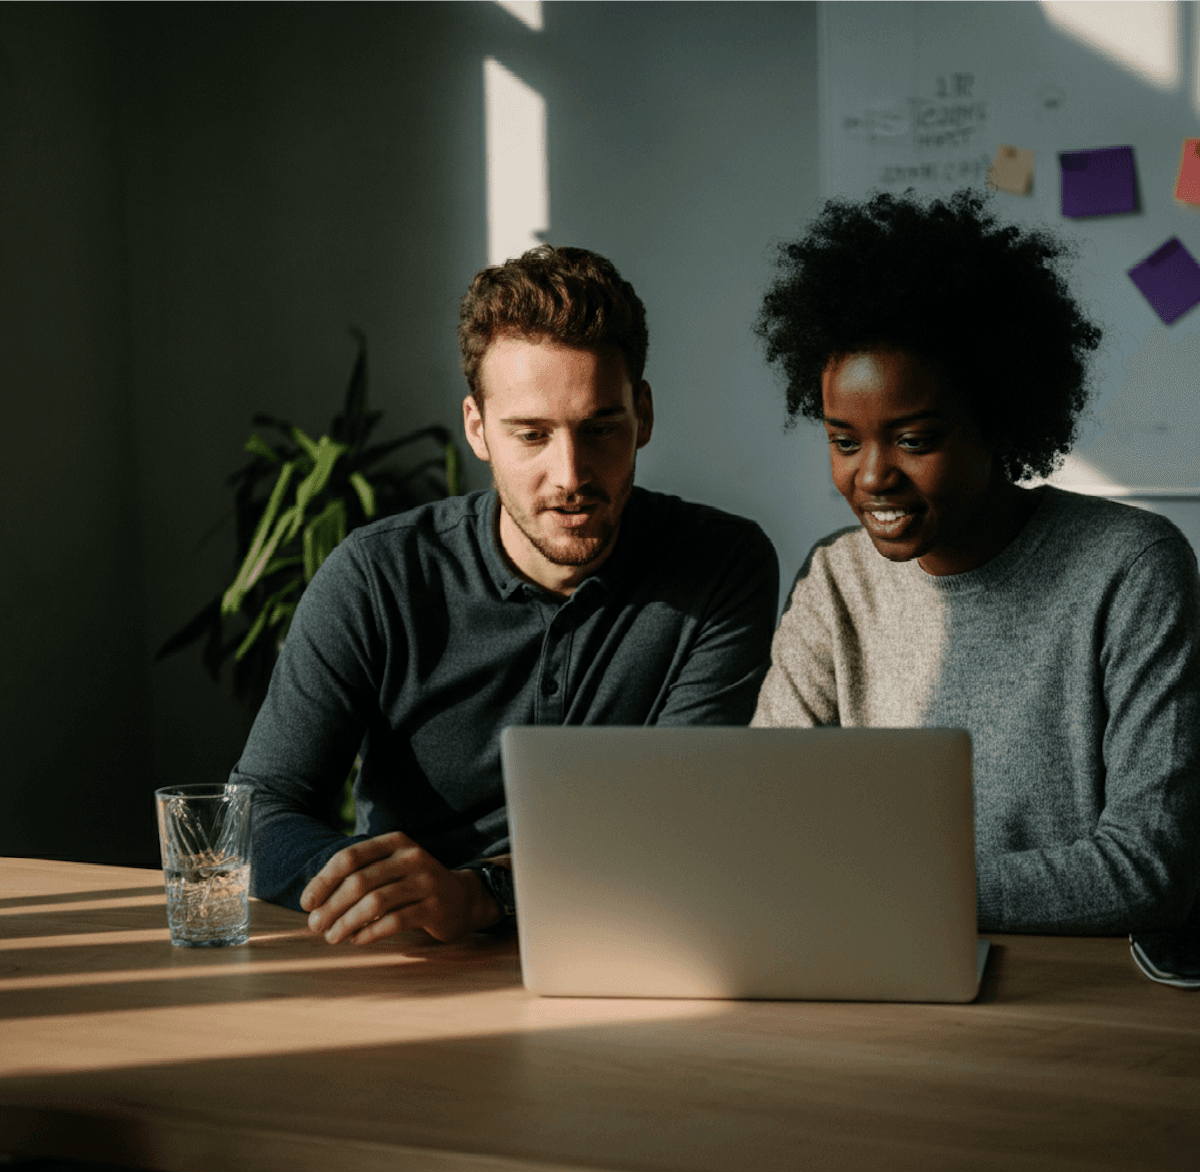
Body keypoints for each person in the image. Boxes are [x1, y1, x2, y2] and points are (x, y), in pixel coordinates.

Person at [231, 244, 779, 946]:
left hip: (626, 941)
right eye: (532, 435)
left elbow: (680, 822)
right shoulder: (376, 576)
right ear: (477, 428)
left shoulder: (721, 565)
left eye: (600, 429)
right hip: (418, 964)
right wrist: (371, 885)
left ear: (643, 413)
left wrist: (484, 894)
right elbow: (257, 811)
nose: (570, 475)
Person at [751, 190, 1200, 974]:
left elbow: (1147, 871)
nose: (872, 476)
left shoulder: (1130, 567)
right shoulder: (836, 581)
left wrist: (878, 887)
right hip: (873, 967)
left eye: (914, 438)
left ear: (1002, 420)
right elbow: (764, 820)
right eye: (843, 440)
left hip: (1074, 996)